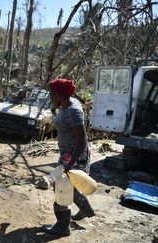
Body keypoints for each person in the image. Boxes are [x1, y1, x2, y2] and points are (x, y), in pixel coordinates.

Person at [42, 78, 95, 236]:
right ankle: (85, 208)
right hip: (67, 154)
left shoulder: (73, 111)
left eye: (51, 94)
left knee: (61, 187)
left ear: (59, 94)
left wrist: (70, 164)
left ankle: (62, 227)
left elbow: (82, 140)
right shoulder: (65, 105)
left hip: (74, 155)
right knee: (67, 186)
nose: (50, 98)